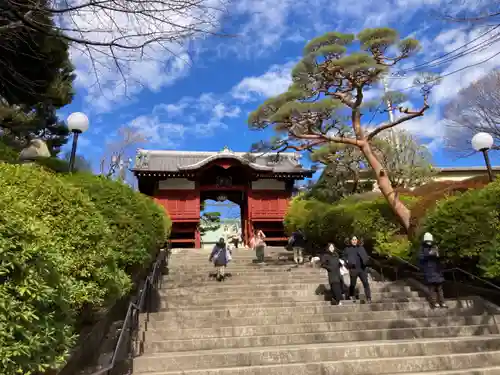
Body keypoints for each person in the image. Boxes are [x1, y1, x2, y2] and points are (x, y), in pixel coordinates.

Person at [419, 232, 447, 309]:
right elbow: (421, 259)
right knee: (432, 288)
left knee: (439, 288)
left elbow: (440, 258)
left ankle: (442, 302)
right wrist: (429, 254)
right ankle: (434, 303)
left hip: (437, 270)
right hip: (429, 271)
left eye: (430, 241)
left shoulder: (434, 247)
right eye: (428, 241)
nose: (429, 243)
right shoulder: (422, 248)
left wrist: (437, 254)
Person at [343, 235, 372, 303]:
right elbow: (343, 256)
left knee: (366, 283)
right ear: (350, 241)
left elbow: (366, 257)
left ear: (357, 240)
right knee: (353, 284)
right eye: (353, 240)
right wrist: (346, 261)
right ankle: (351, 296)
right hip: (353, 269)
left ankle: (368, 297)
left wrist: (366, 262)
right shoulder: (347, 249)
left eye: (355, 240)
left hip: (362, 269)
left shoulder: (361, 248)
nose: (354, 241)